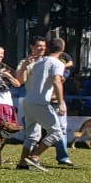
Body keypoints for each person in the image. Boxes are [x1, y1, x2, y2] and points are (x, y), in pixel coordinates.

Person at [15, 36, 67, 172]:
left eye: (43, 46)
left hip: (29, 102)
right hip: (40, 103)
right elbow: (56, 81)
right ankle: (35, 156)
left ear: (48, 48)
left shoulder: (39, 63)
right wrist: (61, 103)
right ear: (63, 49)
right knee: (56, 132)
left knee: (32, 135)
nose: (41, 49)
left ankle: (22, 163)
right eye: (38, 46)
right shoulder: (56, 63)